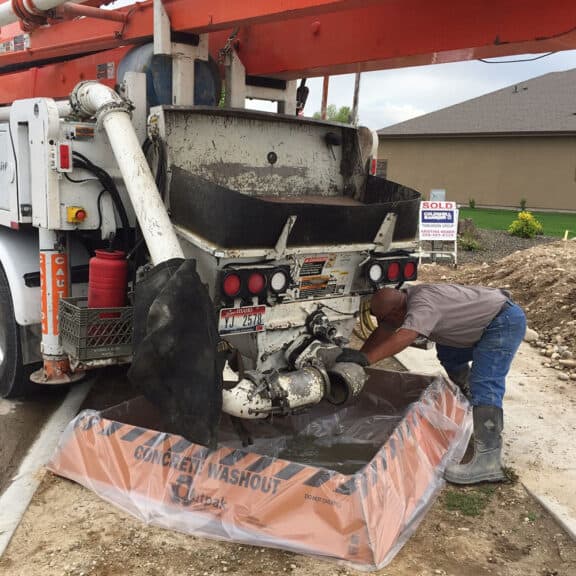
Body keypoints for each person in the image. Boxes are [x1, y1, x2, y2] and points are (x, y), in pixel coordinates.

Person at [336, 284, 527, 485]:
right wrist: (360, 357)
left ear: (396, 310)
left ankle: (488, 461)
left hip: (501, 323)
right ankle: (475, 404)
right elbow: (385, 330)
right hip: (482, 321)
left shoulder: (422, 304)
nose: (381, 323)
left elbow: (405, 336)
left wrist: (368, 360)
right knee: (449, 354)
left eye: (384, 318)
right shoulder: (405, 300)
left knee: (485, 383)